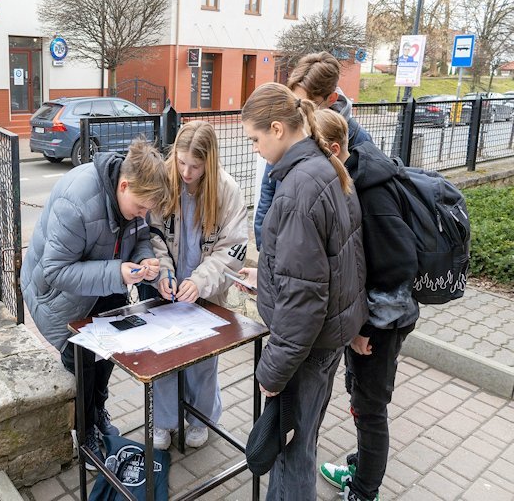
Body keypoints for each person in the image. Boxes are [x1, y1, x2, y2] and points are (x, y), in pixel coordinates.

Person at [240, 82, 367, 501]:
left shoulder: (298, 190)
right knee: (303, 437)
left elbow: (303, 299)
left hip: (305, 350)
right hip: (326, 340)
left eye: (255, 139)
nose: (255, 149)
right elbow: (341, 264)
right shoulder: (323, 166)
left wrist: (272, 372)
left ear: (277, 129)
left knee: (291, 451)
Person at [20, 140, 169, 466]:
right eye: (141, 207)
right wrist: (116, 271)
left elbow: (141, 237)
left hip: (108, 280)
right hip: (59, 297)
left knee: (108, 353)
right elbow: (56, 271)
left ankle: (98, 411)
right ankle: (84, 430)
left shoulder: (133, 198)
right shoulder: (77, 200)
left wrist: (145, 263)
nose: (144, 215)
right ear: (124, 185)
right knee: (82, 363)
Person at [313, 110, 419, 501]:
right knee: (359, 392)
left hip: (383, 323)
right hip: (374, 317)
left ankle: (364, 491)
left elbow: (397, 265)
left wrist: (362, 327)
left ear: (336, 150)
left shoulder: (370, 192)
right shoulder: (353, 176)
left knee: (370, 407)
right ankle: (361, 467)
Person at [146, 121, 250, 451]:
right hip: (167, 287)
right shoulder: (164, 179)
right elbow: (153, 235)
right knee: (161, 354)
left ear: (209, 162)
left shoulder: (227, 190)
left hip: (208, 289)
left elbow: (233, 248)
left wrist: (200, 280)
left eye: (195, 165)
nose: (186, 172)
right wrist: (162, 273)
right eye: (180, 162)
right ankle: (163, 421)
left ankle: (201, 418)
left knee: (203, 359)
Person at [252, 51, 372, 250]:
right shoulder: (289, 127)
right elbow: (269, 188)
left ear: (332, 98)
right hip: (282, 246)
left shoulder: (358, 141)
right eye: (295, 102)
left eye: (308, 103)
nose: (299, 111)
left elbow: (358, 211)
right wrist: (263, 243)